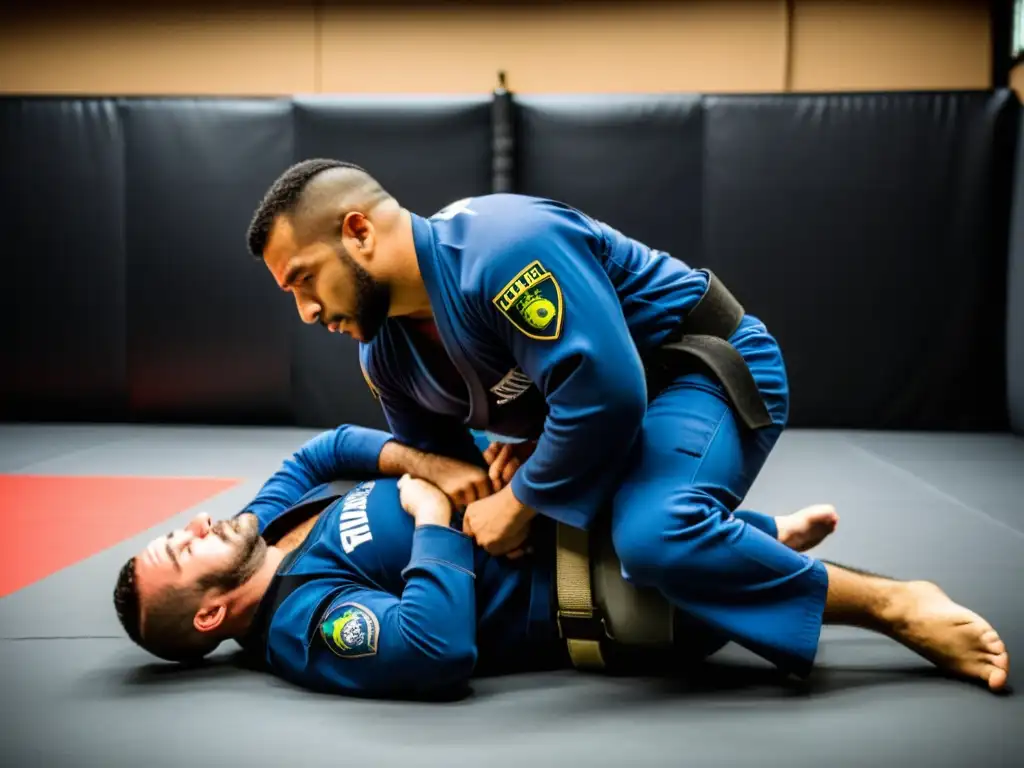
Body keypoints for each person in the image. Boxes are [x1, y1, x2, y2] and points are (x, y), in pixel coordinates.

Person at [243, 159, 1009, 690]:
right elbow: (459, 483)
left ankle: (896, 605)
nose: (307, 313)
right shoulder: (388, 356)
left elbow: (609, 395)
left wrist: (527, 494)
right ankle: (744, 544)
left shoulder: (500, 250)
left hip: (703, 366)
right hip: (613, 411)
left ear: (359, 232)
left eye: (304, 280)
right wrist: (487, 470)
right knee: (603, 539)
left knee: (654, 538)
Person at [113, 425, 1007, 698]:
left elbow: (323, 453)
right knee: (678, 560)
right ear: (209, 614)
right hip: (615, 596)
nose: (190, 528)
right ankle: (895, 605)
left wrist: (436, 466)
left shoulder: (261, 529)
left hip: (577, 517)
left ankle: (760, 532)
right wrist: (430, 516)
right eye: (178, 553)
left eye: (172, 531)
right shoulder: (303, 625)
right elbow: (433, 650)